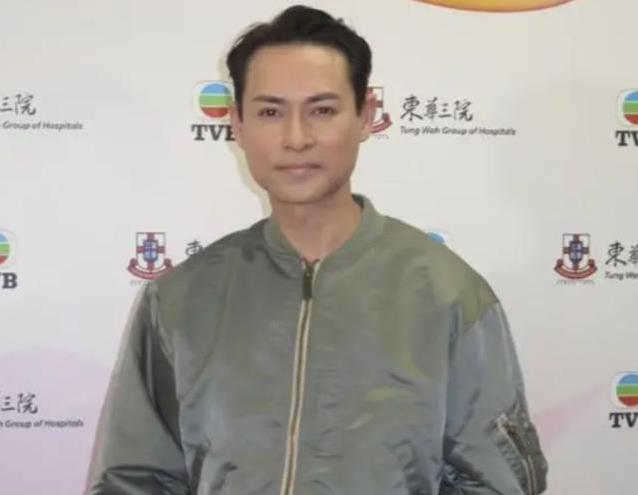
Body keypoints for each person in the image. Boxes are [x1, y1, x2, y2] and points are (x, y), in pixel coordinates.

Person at [87, 5, 547, 495]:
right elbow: (134, 480)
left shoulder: (450, 296)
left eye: (322, 110)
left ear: (366, 115)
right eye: (270, 112)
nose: (296, 138)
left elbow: (495, 484)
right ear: (237, 124)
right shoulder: (181, 299)